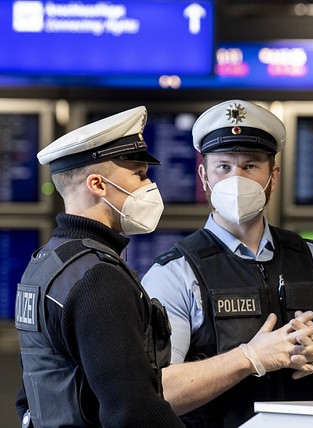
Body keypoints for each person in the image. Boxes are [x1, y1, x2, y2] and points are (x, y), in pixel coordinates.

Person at [142, 99, 313, 428]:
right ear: (204, 176)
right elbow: (157, 394)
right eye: (223, 167)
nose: (236, 179)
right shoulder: (175, 274)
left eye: (250, 167)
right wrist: (249, 358)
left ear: (273, 176)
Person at [14, 106, 186, 427]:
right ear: (98, 184)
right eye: (140, 175)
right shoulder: (98, 277)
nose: (149, 186)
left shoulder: (44, 262)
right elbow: (133, 411)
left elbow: (29, 396)